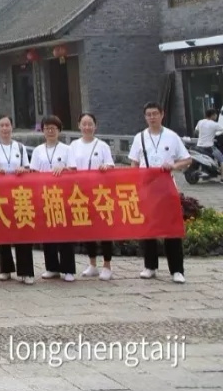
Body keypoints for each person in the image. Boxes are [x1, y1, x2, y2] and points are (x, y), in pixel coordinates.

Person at [128, 101, 191, 283]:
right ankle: (150, 266)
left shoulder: (172, 136)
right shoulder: (139, 137)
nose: (152, 117)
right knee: (148, 228)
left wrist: (173, 165)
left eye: (155, 114)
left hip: (167, 189)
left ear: (162, 114)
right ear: (145, 117)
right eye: (149, 114)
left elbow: (187, 160)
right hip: (147, 188)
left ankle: (177, 270)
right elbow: (133, 162)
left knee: (171, 229)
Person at [63, 112, 117, 280]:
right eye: (84, 124)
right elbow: (70, 168)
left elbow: (111, 166)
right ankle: (92, 263)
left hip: (100, 192)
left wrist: (105, 167)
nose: (87, 127)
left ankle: (107, 265)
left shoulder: (102, 146)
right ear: (79, 125)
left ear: (95, 126)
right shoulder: (73, 146)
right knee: (88, 228)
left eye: (90, 124)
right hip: (81, 193)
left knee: (105, 229)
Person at [30, 114, 75, 282]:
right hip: (44, 196)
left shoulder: (67, 149)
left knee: (64, 233)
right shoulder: (37, 151)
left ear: (59, 131)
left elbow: (73, 170)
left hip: (63, 196)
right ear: (42, 131)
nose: (50, 131)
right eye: (47, 128)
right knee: (47, 233)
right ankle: (52, 267)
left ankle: (68, 269)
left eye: (53, 128)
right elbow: (33, 173)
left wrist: (63, 167)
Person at [0, 114, 34, 285]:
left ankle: (26, 271)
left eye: (7, 125)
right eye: (1, 125)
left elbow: (28, 168)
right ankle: (6, 269)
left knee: (23, 229)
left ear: (12, 127)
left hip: (19, 193)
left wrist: (23, 170)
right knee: (3, 229)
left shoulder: (20, 147)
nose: (4, 128)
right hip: (0, 194)